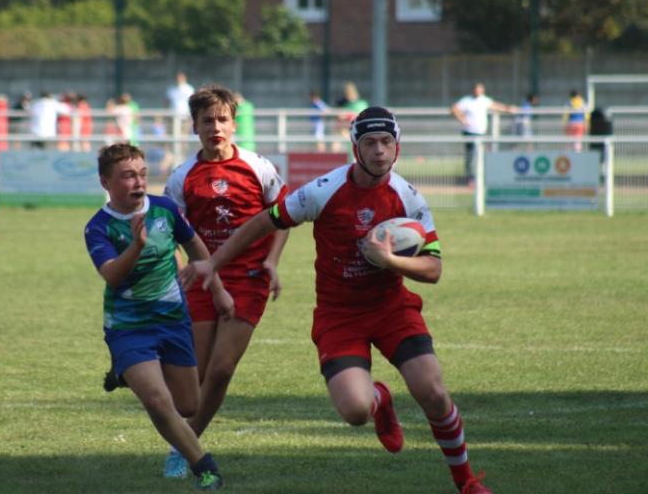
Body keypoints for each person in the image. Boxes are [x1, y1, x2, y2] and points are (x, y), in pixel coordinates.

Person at [180, 107, 495, 494]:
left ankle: (466, 482)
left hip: (392, 310)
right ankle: (380, 400)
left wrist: (391, 260)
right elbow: (265, 220)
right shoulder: (322, 190)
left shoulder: (408, 197)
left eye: (386, 143)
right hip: (339, 317)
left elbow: (433, 269)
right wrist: (213, 262)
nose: (379, 151)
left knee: (432, 391)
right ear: (355, 147)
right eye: (370, 143)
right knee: (356, 411)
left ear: (397, 147)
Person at [145, 85, 289, 478]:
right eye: (207, 120)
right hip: (202, 280)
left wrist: (272, 261)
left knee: (223, 369)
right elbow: (170, 230)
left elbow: (283, 217)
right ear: (194, 126)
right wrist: (178, 269)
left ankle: (186, 445)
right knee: (194, 380)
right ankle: (182, 421)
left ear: (234, 123)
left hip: (249, 278)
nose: (216, 127)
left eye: (222, 119)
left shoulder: (258, 167)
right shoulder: (183, 177)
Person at [84, 142, 231, 490]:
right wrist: (136, 245)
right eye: (127, 176)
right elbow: (112, 275)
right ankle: (205, 467)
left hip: (172, 320)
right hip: (128, 327)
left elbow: (195, 245)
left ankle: (128, 373)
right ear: (106, 182)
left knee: (188, 405)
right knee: (157, 400)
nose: (137, 182)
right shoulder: (98, 227)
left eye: (142, 174)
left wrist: (216, 286)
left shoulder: (164, 209)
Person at [451, 82, 516, 184]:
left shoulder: (484, 100)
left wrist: (509, 109)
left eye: (480, 89)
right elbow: (454, 109)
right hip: (469, 133)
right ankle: (470, 178)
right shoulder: (467, 100)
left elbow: (496, 106)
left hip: (480, 134)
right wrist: (462, 119)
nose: (478, 91)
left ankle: (480, 177)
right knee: (470, 156)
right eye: (477, 89)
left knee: (480, 156)